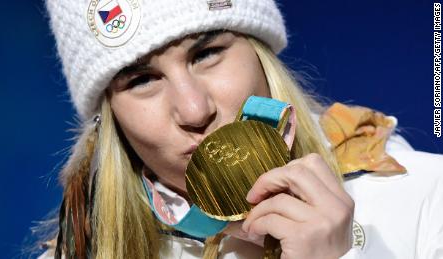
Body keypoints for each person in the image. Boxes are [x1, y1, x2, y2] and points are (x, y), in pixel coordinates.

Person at [38, 0, 443, 258]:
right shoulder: (81, 251)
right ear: (108, 119)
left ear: (260, 54)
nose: (194, 110)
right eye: (141, 80)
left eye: (208, 53)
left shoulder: (429, 199)